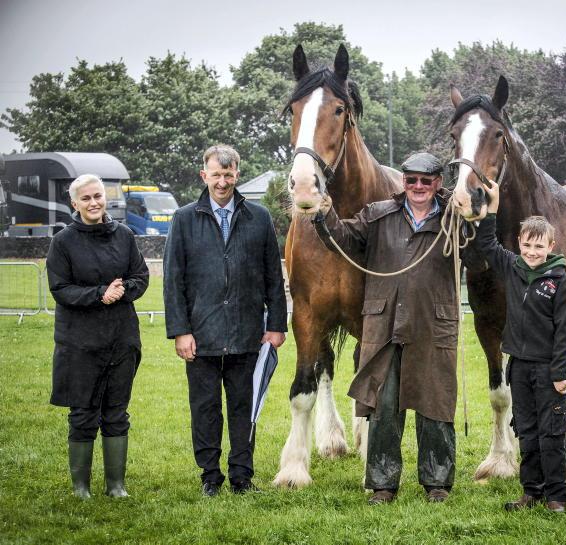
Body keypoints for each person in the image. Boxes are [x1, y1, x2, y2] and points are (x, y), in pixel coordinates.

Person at [313, 152, 461, 504]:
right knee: (383, 405)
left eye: (426, 180)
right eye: (411, 180)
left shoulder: (454, 219)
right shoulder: (378, 215)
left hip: (434, 322)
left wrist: (483, 216)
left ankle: (437, 482)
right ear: (404, 182)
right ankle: (382, 483)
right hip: (384, 324)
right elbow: (342, 239)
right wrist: (324, 213)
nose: (418, 186)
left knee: (435, 403)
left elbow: (481, 257)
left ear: (438, 183)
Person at [164, 144, 287, 496]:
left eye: (228, 174)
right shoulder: (184, 219)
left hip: (247, 332)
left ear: (237, 175)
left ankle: (241, 476)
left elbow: (273, 276)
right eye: (216, 175)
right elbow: (173, 279)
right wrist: (180, 331)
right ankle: (210, 476)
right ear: (204, 175)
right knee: (205, 408)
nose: (222, 182)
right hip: (201, 334)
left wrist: (276, 325)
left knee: (243, 407)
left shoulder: (258, 217)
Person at [467, 181, 566, 513]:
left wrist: (559, 372)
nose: (532, 252)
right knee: (526, 431)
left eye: (539, 246)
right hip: (519, 367)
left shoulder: (559, 282)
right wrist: (493, 208)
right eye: (527, 245)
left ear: (550, 246)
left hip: (548, 370)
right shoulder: (513, 268)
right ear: (519, 243)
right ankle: (531, 491)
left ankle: (556, 495)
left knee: (551, 433)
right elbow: (486, 243)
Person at [47, 174, 150, 499]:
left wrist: (123, 290)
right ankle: (81, 487)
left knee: (117, 413)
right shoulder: (63, 242)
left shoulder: (124, 235)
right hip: (79, 342)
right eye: (86, 198)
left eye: (98, 196)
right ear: (74, 203)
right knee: (83, 414)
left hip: (121, 339)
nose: (93, 203)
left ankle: (116, 485)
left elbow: (141, 276)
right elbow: (60, 289)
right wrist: (98, 294)